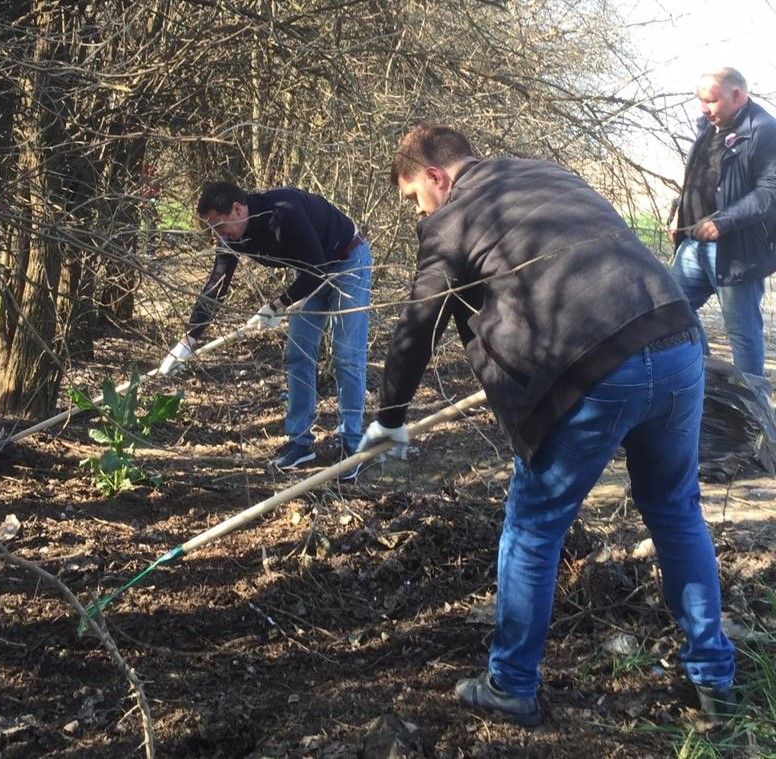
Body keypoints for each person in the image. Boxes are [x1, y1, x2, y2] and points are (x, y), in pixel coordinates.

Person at [357, 124, 736, 726]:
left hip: (593, 374)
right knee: (676, 512)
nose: (418, 212)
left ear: (434, 176)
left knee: (533, 530)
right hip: (675, 341)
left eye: (413, 198)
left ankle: (510, 685)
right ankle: (715, 680)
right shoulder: (545, 173)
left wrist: (389, 418)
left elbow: (418, 324)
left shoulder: (452, 218)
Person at [158, 181, 372, 476]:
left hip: (348, 261)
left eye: (219, 226)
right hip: (310, 272)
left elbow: (317, 268)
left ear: (237, 209)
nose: (219, 235)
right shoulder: (231, 236)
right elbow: (217, 284)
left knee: (346, 355)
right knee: (298, 353)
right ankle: (300, 443)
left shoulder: (284, 212)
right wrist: (189, 340)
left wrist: (278, 305)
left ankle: (352, 446)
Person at [670, 67, 776, 384]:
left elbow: (770, 192)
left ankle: (752, 405)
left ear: (737, 95)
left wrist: (723, 221)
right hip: (694, 245)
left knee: (743, 334)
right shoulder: (709, 128)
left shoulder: (764, 131)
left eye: (711, 101)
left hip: (736, 251)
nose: (704, 108)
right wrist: (679, 212)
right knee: (673, 309)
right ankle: (708, 380)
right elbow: (700, 179)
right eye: (700, 100)